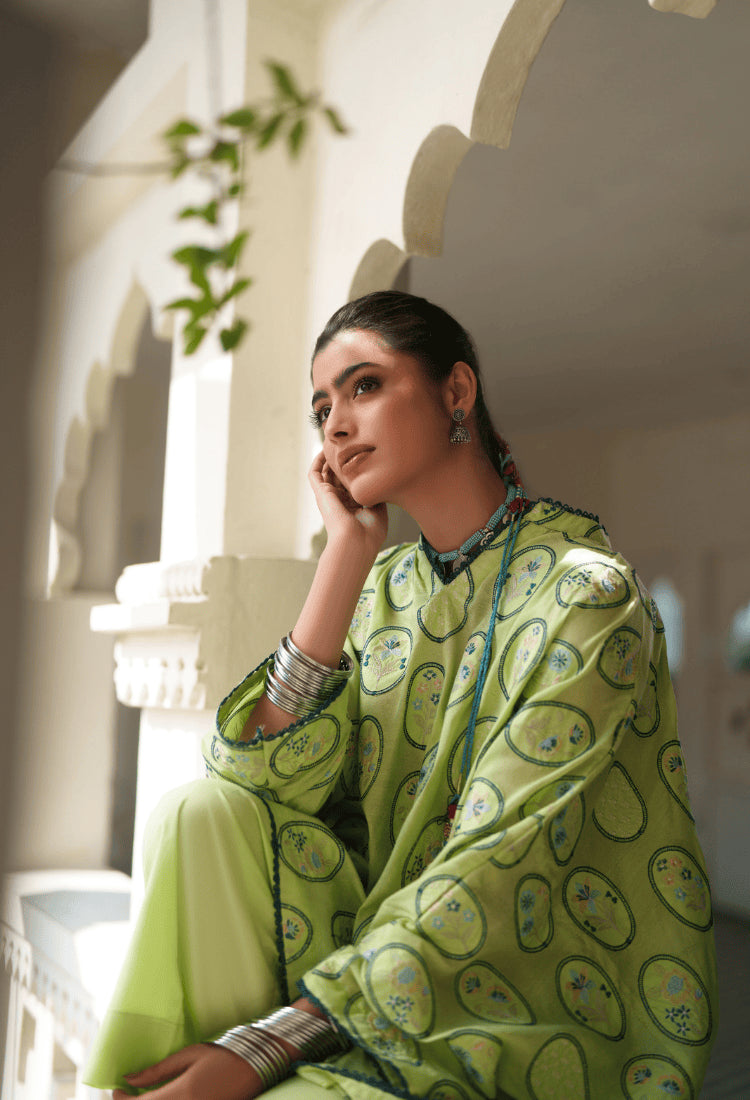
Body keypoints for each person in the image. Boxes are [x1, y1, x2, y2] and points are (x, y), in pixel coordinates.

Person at [84, 291, 717, 1099]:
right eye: (322, 409)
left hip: (517, 992)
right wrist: (346, 554)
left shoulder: (585, 594)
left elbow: (501, 862)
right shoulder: (386, 587)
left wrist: (270, 1043)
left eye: (365, 386)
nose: (337, 426)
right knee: (197, 811)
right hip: (361, 957)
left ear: (456, 392)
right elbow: (251, 781)